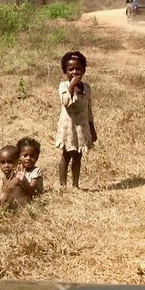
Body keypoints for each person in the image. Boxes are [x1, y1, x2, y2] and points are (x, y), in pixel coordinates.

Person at [55, 51, 97, 189]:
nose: (75, 71)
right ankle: (62, 185)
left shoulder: (87, 88)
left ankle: (75, 185)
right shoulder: (64, 86)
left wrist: (92, 129)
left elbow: (89, 110)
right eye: (70, 69)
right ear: (65, 71)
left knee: (78, 156)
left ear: (84, 70)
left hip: (81, 128)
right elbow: (66, 102)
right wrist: (72, 86)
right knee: (66, 155)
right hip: (69, 128)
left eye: (78, 68)